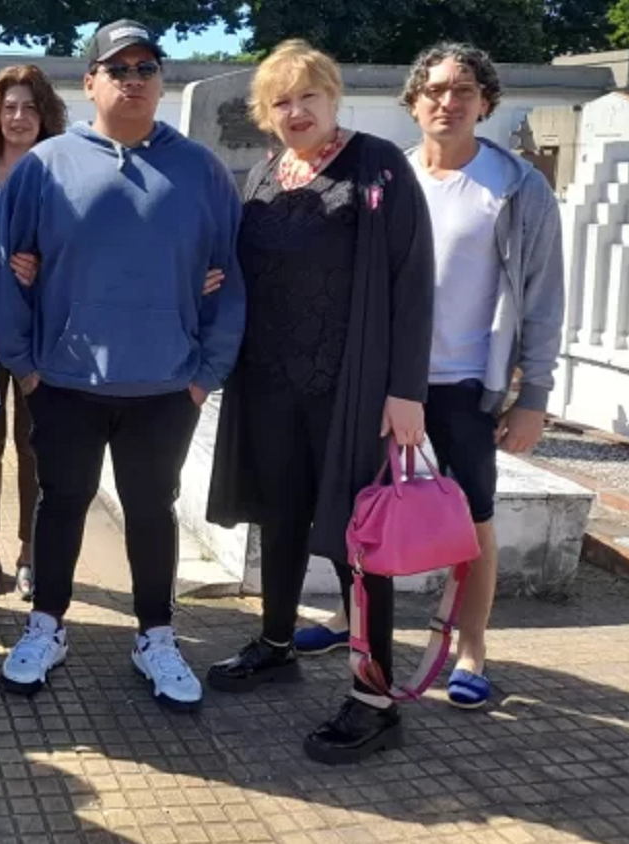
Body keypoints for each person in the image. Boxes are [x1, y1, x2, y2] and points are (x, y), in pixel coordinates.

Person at [0, 20, 246, 710]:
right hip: (65, 381)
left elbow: (233, 273)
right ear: (91, 82)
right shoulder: (45, 167)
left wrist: (204, 375)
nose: (134, 80)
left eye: (147, 69)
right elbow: (6, 270)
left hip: (166, 386)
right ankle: (46, 625)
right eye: (119, 68)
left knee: (150, 510)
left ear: (161, 82)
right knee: (61, 502)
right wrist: (25, 363)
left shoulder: (199, 170)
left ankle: (157, 636)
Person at [204, 41, 435, 765]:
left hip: (353, 390)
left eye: (309, 96)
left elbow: (412, 281)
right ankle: (277, 641)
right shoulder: (265, 174)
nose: (296, 111)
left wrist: (405, 391)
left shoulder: (380, 167)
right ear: (265, 115)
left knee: (358, 542)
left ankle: (373, 695)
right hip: (270, 381)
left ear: (334, 96)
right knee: (279, 519)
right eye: (281, 101)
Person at [402, 43, 564, 709]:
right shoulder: (394, 180)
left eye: (462, 90)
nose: (448, 101)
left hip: (469, 381)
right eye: (434, 90)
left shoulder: (517, 187)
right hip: (393, 379)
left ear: (485, 103)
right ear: (413, 103)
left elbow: (544, 297)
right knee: (366, 506)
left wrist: (535, 396)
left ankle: (471, 646)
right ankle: (352, 623)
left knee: (473, 521)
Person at [0, 64, 66, 601]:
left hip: (38, 332)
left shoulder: (61, 171)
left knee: (32, 444)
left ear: (44, 113)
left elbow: (77, 248)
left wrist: (44, 265)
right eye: (9, 107)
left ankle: (29, 553)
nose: (19, 116)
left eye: (29, 106)